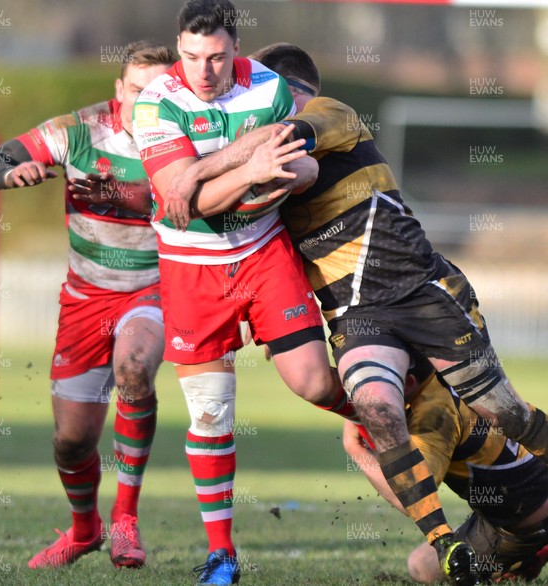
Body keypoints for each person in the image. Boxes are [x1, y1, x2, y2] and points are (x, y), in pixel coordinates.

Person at [161, 42, 548, 586]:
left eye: (257, 89)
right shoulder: (266, 170)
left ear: (284, 89)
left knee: (504, 412)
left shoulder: (329, 113)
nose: (248, 101)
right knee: (374, 407)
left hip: (419, 291)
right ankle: (444, 544)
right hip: (358, 316)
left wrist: (193, 176)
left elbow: (289, 165)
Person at [131, 3, 354, 584]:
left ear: (238, 50)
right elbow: (185, 205)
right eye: (190, 57)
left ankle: (396, 420)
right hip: (190, 268)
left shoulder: (272, 88)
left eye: (217, 58)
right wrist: (249, 166)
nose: (203, 71)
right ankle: (222, 555)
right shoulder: (156, 100)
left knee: (314, 382)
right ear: (178, 49)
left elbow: (298, 172)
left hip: (262, 255)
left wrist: (213, 170)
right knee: (211, 416)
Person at [0, 40, 175, 569]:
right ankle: (86, 531)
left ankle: (126, 520)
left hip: (152, 290)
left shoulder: (185, 139)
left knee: (133, 370)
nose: (142, 105)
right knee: (71, 442)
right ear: (117, 91)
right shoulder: (79, 130)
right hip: (85, 299)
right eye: (134, 92)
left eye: (155, 94)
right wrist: (11, 172)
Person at [343, 355, 548, 584]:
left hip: (522, 520)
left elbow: (411, 498)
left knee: (420, 565)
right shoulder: (451, 364)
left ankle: (528, 553)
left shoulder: (432, 416)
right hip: (533, 479)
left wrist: (355, 448)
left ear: (409, 382)